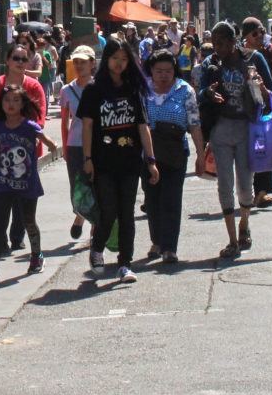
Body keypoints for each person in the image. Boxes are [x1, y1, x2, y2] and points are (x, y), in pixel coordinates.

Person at [78, 38, 158, 283]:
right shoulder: (94, 90)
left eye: (124, 59)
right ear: (106, 60)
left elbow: (143, 127)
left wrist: (151, 159)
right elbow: (88, 126)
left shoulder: (133, 89)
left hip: (130, 162)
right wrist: (88, 158)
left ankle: (125, 264)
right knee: (109, 209)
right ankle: (97, 247)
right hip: (103, 161)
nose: (119, 64)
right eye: (115, 59)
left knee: (127, 213)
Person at [199, 22, 269, 260]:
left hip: (246, 128)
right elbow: (200, 92)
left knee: (245, 185)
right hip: (220, 130)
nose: (216, 48)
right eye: (214, 43)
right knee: (224, 185)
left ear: (233, 42)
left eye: (220, 43)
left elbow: (271, 94)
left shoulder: (254, 59)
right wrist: (208, 93)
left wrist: (261, 88)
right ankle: (231, 240)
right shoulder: (212, 64)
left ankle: (244, 225)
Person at [0, 86, 58, 284]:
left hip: (27, 183)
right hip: (4, 182)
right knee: (0, 223)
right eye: (7, 100)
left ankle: (36, 255)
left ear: (23, 104)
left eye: (15, 100)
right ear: (1, 104)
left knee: (28, 220)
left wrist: (52, 146)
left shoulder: (29, 126)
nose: (11, 104)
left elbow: (46, 140)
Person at [143, 49, 201, 263]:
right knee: (152, 199)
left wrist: (201, 156)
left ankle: (169, 247)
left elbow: (194, 124)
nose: (164, 75)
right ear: (151, 70)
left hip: (175, 152)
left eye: (168, 70)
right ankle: (156, 241)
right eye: (159, 71)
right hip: (148, 153)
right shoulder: (143, 90)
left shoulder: (185, 90)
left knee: (171, 199)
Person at [243, 18, 272, 208]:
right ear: (246, 36)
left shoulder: (270, 54)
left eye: (262, 32)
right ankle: (248, 192)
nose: (260, 37)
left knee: (263, 152)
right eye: (255, 33)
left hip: (263, 111)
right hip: (242, 113)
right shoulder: (237, 55)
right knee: (244, 156)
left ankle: (262, 193)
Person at [60, 45, 97, 241]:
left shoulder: (99, 88)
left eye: (83, 62)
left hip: (96, 145)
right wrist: (65, 147)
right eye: (76, 62)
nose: (79, 66)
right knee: (77, 187)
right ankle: (80, 215)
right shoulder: (67, 90)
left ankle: (92, 225)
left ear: (93, 64)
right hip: (75, 144)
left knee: (94, 185)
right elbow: (65, 121)